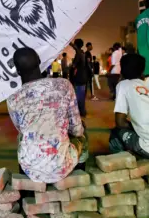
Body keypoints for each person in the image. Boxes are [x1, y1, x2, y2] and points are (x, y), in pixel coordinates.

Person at [6, 47, 87, 183]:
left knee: (21, 137)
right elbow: (76, 129)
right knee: (83, 132)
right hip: (62, 166)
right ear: (39, 60)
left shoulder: (13, 98)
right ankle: (81, 176)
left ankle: (27, 183)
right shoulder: (63, 85)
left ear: (18, 72)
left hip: (30, 168)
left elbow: (21, 130)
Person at [70, 39, 88, 117]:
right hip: (83, 77)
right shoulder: (82, 52)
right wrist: (69, 43)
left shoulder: (78, 53)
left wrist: (71, 66)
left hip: (79, 78)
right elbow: (75, 47)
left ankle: (80, 112)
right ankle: (83, 111)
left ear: (76, 45)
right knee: (81, 96)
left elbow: (74, 66)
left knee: (78, 96)